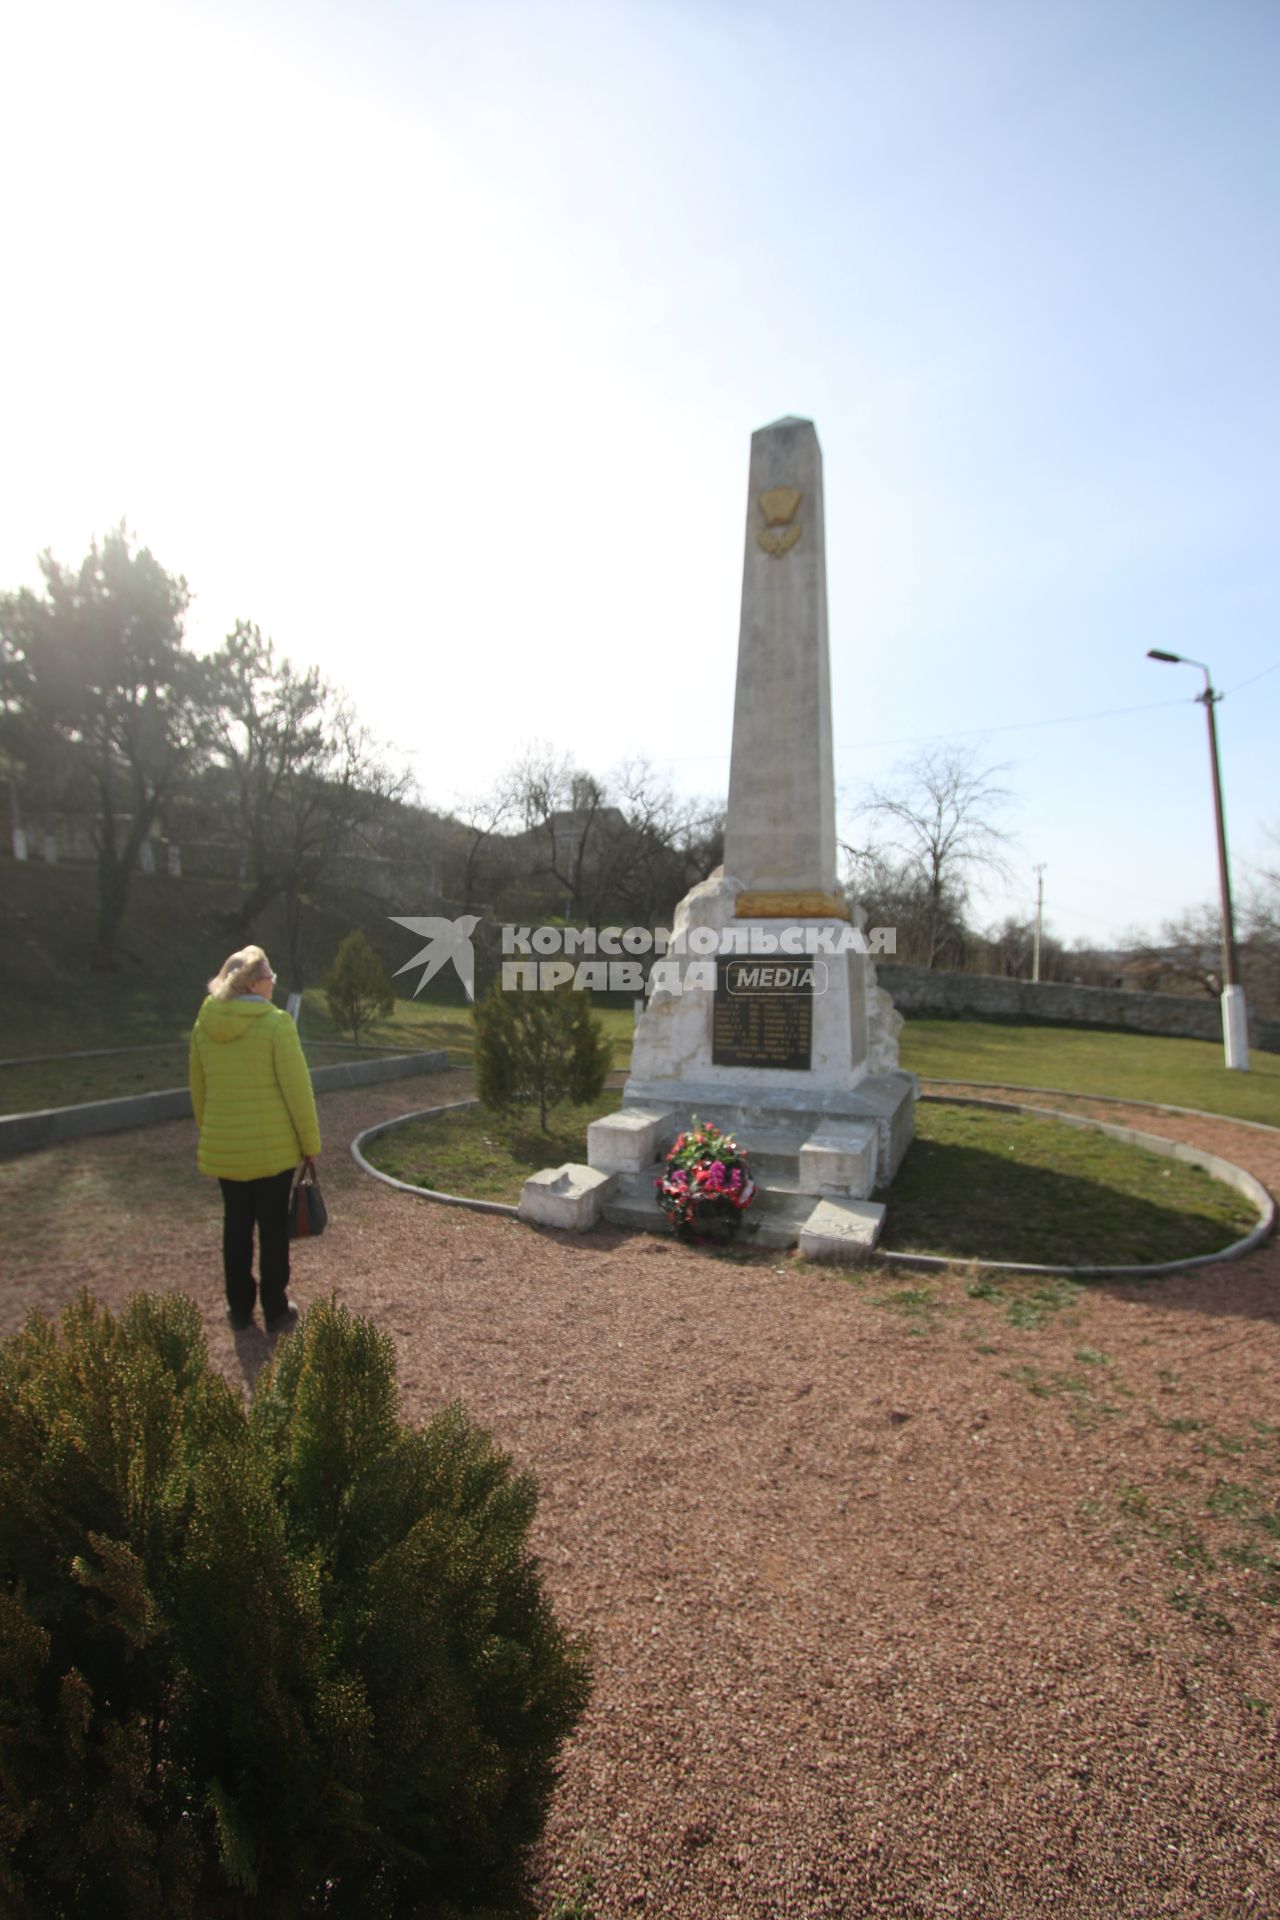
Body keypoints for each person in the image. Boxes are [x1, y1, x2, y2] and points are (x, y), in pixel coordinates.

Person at [189, 945, 321, 1334]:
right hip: (272, 1151)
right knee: (273, 1230)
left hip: (226, 1147)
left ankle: (240, 1307)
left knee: (236, 1227)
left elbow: (199, 1090)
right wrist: (309, 1143)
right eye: (270, 977)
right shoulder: (276, 1024)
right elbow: (298, 1090)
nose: (273, 984)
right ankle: (275, 1308)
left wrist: (212, 1132)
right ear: (252, 983)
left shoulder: (203, 1026)